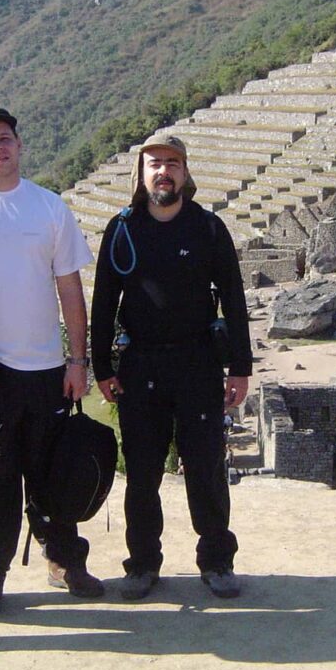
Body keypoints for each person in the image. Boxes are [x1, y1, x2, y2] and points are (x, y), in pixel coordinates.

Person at [0, 107, 101, 619]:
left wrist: (78, 360)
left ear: (19, 145)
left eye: (5, 138)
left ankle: (63, 561)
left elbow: (70, 290)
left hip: (46, 368)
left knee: (52, 473)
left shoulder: (49, 207)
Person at [91, 133, 252, 600]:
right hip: (140, 366)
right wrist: (103, 366)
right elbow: (103, 304)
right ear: (140, 175)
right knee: (142, 473)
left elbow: (234, 301)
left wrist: (239, 366)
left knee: (205, 469)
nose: (164, 171)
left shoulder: (208, 229)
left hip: (198, 362)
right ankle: (142, 564)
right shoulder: (122, 230)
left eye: (173, 163)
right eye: (155, 163)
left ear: (185, 172)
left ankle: (217, 560)